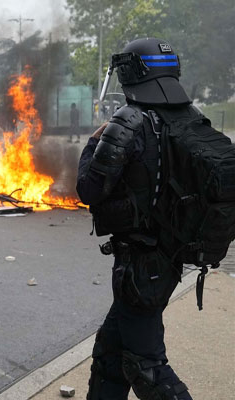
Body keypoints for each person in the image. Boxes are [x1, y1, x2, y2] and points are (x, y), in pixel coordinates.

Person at [77, 38, 193, 400]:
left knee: (147, 367)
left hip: (140, 267)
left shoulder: (131, 121)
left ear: (130, 73)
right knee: (110, 355)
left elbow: (88, 189)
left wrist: (95, 140)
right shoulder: (190, 118)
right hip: (169, 258)